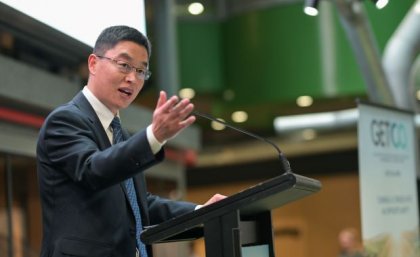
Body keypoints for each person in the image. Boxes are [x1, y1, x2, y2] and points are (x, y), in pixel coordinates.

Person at [36, 25, 225, 257]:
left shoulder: (118, 133)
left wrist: (201, 212)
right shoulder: (65, 120)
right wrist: (153, 137)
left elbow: (139, 204)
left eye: (141, 71)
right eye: (124, 65)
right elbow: (93, 169)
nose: (132, 78)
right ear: (93, 63)